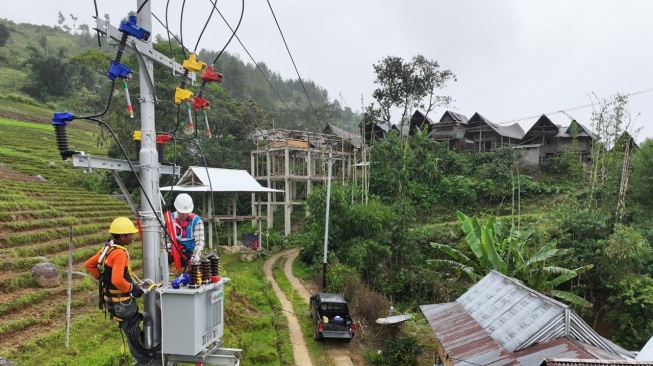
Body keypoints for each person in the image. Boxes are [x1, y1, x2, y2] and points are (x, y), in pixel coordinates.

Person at [84, 217, 158, 366]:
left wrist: (104, 279)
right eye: (130, 234)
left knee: (132, 329)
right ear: (122, 236)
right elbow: (117, 280)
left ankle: (145, 357)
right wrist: (133, 289)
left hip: (111, 302)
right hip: (122, 304)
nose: (132, 237)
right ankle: (145, 362)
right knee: (133, 332)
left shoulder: (108, 248)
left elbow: (89, 265)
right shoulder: (119, 253)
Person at [171, 193, 205, 268]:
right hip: (173, 251)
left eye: (187, 212)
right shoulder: (170, 218)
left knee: (191, 272)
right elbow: (165, 239)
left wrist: (195, 255)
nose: (184, 215)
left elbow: (199, 242)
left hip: (189, 253)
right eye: (182, 212)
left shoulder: (196, 221)